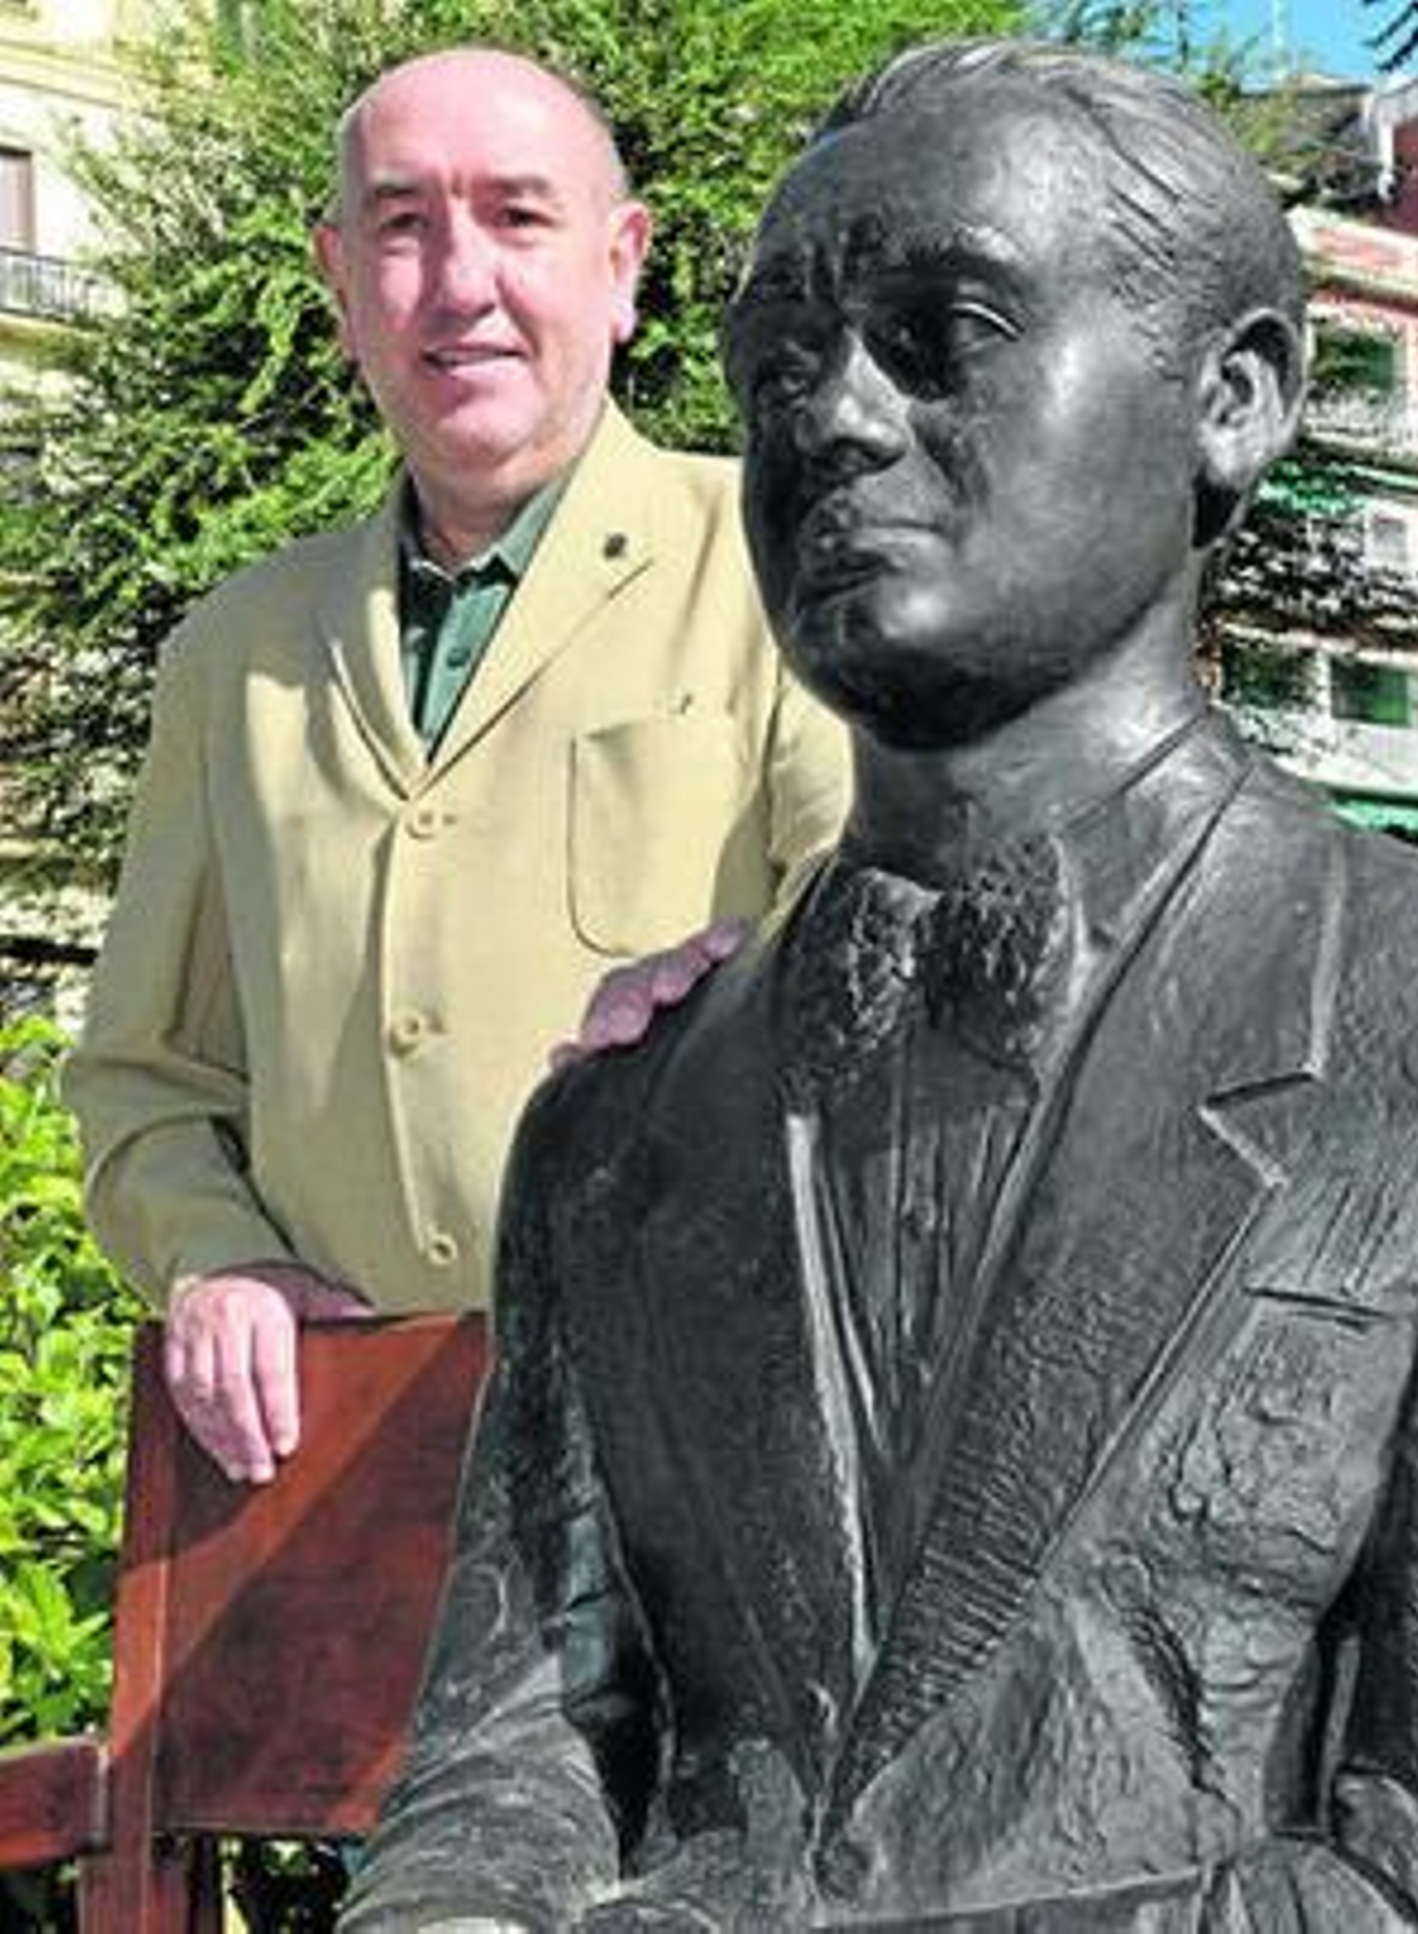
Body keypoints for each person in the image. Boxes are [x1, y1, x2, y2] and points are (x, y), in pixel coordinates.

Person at [342, 38, 1418, 1932]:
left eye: (940, 337)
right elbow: (515, 1751)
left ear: (1235, 402)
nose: (829, 419)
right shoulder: (615, 1132)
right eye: (777, 370)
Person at [63, 47, 847, 1487]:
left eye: (518, 216)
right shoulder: (229, 659)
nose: (459, 278)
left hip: (715, 1470)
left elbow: (892, 989)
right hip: (339, 1493)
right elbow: (140, 1077)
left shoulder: (788, 570)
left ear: (621, 266)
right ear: (339, 284)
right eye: (404, 223)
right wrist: (214, 1257)